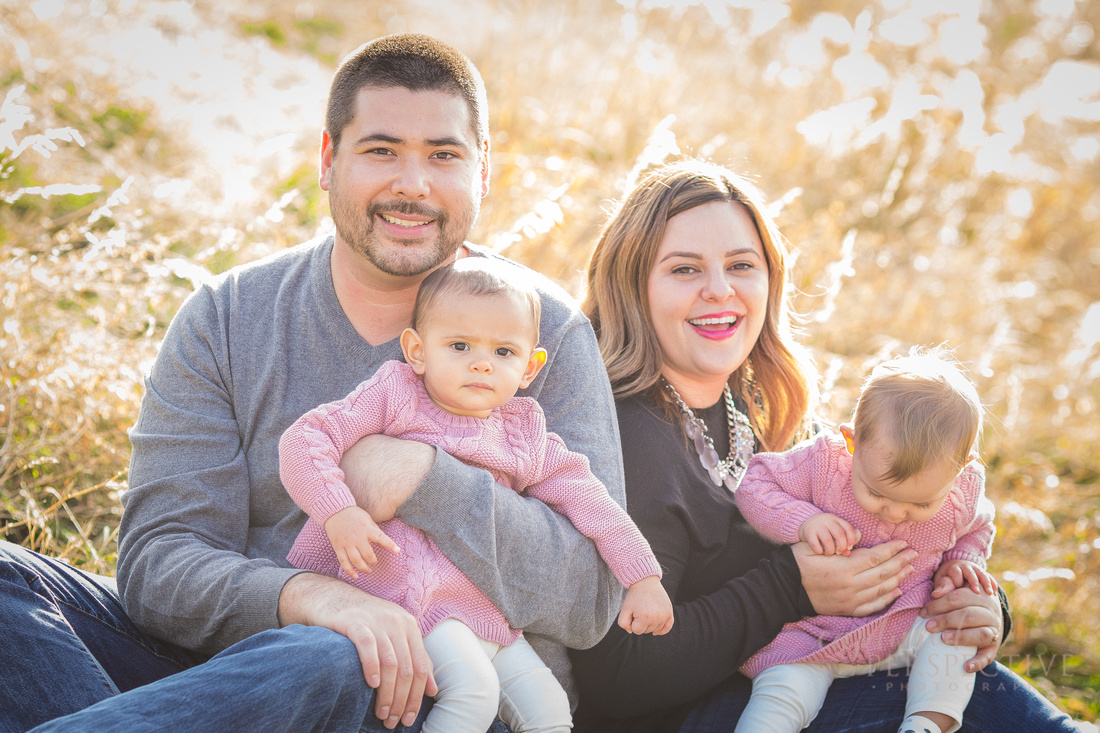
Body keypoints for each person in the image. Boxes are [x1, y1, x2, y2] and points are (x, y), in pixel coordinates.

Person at [0, 33, 626, 732]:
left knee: (331, 658)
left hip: (430, 698)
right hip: (217, 674)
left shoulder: (538, 336)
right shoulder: (228, 316)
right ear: (328, 161)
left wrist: (429, 480)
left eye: (443, 155)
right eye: (381, 149)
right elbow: (158, 564)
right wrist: (316, 596)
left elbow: (592, 596)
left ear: (483, 172)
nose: (412, 183)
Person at [568, 158, 1087, 732]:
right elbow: (618, 679)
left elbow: (899, 523)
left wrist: (975, 605)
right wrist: (790, 586)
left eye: (742, 264)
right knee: (971, 705)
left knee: (960, 686)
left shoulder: (754, 406)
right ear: (632, 286)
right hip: (691, 715)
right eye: (685, 269)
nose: (720, 290)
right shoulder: (626, 439)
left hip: (805, 670)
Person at [279, 259, 673, 733]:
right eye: (460, 345)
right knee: (473, 694)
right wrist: (337, 511)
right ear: (418, 351)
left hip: (485, 604)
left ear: (529, 366)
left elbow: (593, 505)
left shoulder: (524, 437)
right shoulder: (397, 395)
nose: (482, 362)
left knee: (549, 709)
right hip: (401, 590)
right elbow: (306, 439)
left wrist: (643, 578)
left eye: (504, 351)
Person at [733, 350, 998, 733]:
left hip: (903, 623)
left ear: (962, 469)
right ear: (852, 442)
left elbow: (978, 527)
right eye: (876, 493)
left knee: (953, 639)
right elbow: (756, 484)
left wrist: (963, 559)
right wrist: (804, 521)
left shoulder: (963, 493)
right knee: (780, 693)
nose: (893, 512)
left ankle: (925, 724)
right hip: (811, 637)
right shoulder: (824, 462)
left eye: (921, 503)